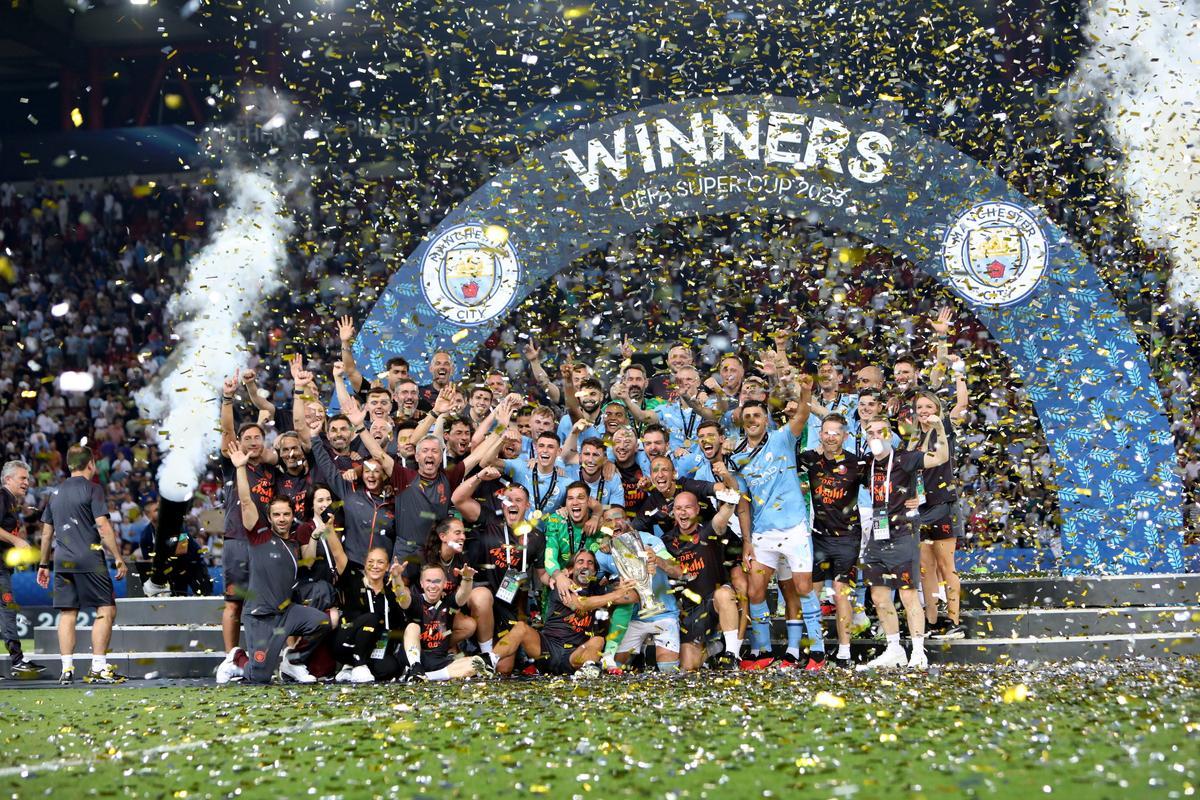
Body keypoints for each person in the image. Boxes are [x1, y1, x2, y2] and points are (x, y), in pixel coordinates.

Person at [730, 374, 826, 671]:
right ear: (741, 422)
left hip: (794, 526)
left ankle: (818, 652)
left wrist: (807, 390)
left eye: (757, 415)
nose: (752, 420)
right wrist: (747, 540)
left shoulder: (783, 438)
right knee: (756, 591)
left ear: (766, 418)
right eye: (747, 417)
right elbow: (743, 505)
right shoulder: (737, 458)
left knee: (803, 586)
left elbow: (803, 413)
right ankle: (766, 651)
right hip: (762, 532)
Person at [231, 441, 331, 684]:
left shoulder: (298, 537)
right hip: (260, 617)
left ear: (291, 514)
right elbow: (246, 501)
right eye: (276, 514)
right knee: (260, 676)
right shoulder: (259, 534)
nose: (282, 519)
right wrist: (240, 468)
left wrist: (316, 536)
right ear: (269, 517)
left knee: (323, 622)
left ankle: (292, 659)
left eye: (286, 514)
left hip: (288, 613)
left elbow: (307, 560)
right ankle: (237, 659)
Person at [857, 417, 949, 671]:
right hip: (878, 535)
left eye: (880, 431)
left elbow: (939, 458)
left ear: (890, 434)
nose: (875, 436)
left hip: (903, 534)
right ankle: (894, 648)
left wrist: (939, 429)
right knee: (878, 596)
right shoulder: (866, 464)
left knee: (908, 595)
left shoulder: (905, 459)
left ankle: (919, 651)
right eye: (870, 432)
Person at [36, 446, 128, 684]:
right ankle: (98, 667)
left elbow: (46, 535)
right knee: (106, 610)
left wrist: (43, 564)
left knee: (68, 613)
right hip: (89, 559)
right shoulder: (93, 489)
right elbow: (103, 526)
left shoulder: (54, 493)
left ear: (69, 465)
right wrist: (118, 556)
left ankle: (67, 669)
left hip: (62, 561)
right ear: (91, 464)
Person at [491, 549, 636, 678]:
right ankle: (488, 660)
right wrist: (617, 595)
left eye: (590, 563)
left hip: (574, 655)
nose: (585, 565)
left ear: (594, 571)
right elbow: (581, 604)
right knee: (521, 628)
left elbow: (634, 597)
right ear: (572, 569)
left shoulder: (598, 591)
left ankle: (588, 670)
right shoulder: (562, 584)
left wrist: (624, 588)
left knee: (598, 640)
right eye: (580, 561)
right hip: (547, 649)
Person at [799, 414, 869, 667]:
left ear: (845, 436)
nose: (830, 437)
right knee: (811, 595)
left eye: (836, 433)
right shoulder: (811, 460)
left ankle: (844, 652)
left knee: (842, 595)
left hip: (848, 539)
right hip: (818, 538)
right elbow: (788, 463)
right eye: (826, 432)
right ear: (820, 434)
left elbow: (883, 485)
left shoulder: (857, 463)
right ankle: (816, 650)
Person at [453, 475, 534, 664]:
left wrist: (558, 576)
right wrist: (480, 476)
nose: (512, 504)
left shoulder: (535, 536)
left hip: (510, 603)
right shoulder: (490, 520)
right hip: (486, 599)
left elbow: (538, 575)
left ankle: (494, 658)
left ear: (527, 506)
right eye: (508, 500)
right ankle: (486, 654)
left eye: (518, 500)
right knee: (481, 596)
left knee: (505, 669)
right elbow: (458, 499)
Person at [912, 380, 968, 641]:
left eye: (928, 405)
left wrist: (959, 377)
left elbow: (963, 404)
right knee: (926, 568)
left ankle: (954, 621)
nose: (923, 410)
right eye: (919, 406)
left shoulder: (944, 428)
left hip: (943, 505)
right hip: (922, 509)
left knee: (947, 566)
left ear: (937, 409)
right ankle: (932, 621)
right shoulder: (915, 437)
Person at [663, 491, 741, 670]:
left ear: (697, 510)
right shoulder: (667, 541)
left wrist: (729, 503)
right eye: (678, 508)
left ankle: (732, 655)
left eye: (688, 508)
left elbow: (721, 519)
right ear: (673, 512)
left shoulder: (708, 530)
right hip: (690, 611)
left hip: (714, 602)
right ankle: (713, 649)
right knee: (688, 666)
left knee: (724, 594)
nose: (683, 513)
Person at [332, 545, 411, 683]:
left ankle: (350, 669)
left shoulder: (390, 593)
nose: (375, 566)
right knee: (372, 618)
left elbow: (405, 603)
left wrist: (397, 577)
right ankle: (358, 664)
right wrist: (328, 530)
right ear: (365, 565)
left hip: (375, 647)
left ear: (387, 567)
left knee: (390, 669)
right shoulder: (355, 581)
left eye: (380, 562)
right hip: (347, 641)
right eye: (371, 562)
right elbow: (338, 553)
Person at [401, 563, 491, 681]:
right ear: (422, 583)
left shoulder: (447, 601)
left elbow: (462, 595)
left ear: (444, 584)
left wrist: (467, 578)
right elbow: (402, 597)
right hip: (416, 656)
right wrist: (397, 577)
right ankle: (415, 669)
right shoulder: (415, 600)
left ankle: (421, 677)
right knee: (413, 627)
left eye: (437, 581)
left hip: (439, 659)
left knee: (478, 663)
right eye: (428, 581)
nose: (432, 586)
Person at [0, 460, 46, 678]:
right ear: (8, 479)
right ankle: (17, 660)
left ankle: (17, 660)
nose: (27, 482)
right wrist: (15, 541)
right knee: (7, 610)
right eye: (22, 478)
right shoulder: (3, 497)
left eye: (27, 478)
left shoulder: (9, 502)